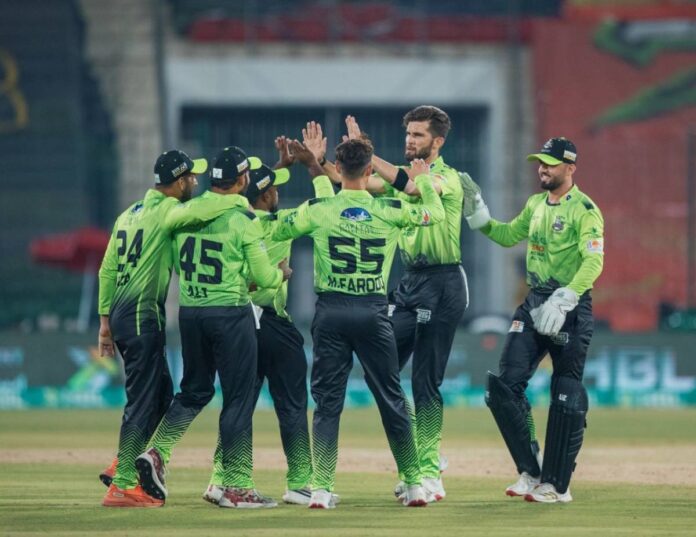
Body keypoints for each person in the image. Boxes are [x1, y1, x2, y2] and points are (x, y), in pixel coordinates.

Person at [273, 137, 445, 509]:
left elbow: (276, 228)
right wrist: (423, 180)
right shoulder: (390, 210)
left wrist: (307, 168)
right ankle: (414, 484)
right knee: (392, 398)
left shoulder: (319, 210)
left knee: (327, 402)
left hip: (331, 313)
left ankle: (321, 489)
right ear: (369, 170)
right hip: (373, 313)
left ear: (338, 168)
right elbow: (435, 214)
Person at [135, 146, 291, 509]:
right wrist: (281, 273)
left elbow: (176, 263)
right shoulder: (243, 219)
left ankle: (158, 451)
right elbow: (263, 276)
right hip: (230, 314)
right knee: (237, 399)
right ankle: (236, 486)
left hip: (190, 313)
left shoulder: (185, 214)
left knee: (194, 391)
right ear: (242, 180)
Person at [465, 137, 604, 503]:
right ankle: (531, 470)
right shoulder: (535, 204)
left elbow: (594, 261)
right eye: (540, 162)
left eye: (550, 163)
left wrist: (568, 296)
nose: (542, 168)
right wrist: (480, 217)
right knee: (503, 386)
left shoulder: (585, 210)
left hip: (570, 307)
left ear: (570, 168)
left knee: (565, 394)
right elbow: (509, 235)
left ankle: (557, 485)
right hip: (534, 301)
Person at [342, 107, 469, 502]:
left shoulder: (447, 177)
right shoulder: (396, 174)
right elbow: (354, 182)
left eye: (418, 135)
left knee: (425, 382)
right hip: (410, 284)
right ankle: (420, 458)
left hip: (443, 282)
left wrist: (367, 152)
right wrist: (324, 162)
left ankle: (429, 472)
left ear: (438, 141)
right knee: (379, 370)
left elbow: (413, 188)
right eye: (409, 134)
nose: (410, 140)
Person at [202, 138, 336, 506]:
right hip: (273, 325)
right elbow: (326, 207)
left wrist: (276, 170)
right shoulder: (280, 224)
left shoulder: (229, 222)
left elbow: (251, 191)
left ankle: (220, 479)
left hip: (236, 323)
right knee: (291, 403)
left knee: (237, 405)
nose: (277, 192)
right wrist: (312, 166)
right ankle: (300, 482)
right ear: (267, 196)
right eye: (274, 188)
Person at [98, 149, 208, 507]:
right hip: (141, 317)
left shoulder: (128, 214)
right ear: (178, 182)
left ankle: (122, 462)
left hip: (121, 315)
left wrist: (104, 323)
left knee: (160, 396)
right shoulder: (169, 211)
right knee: (143, 401)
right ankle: (123, 486)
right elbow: (207, 211)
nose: (195, 181)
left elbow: (107, 270)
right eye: (191, 177)